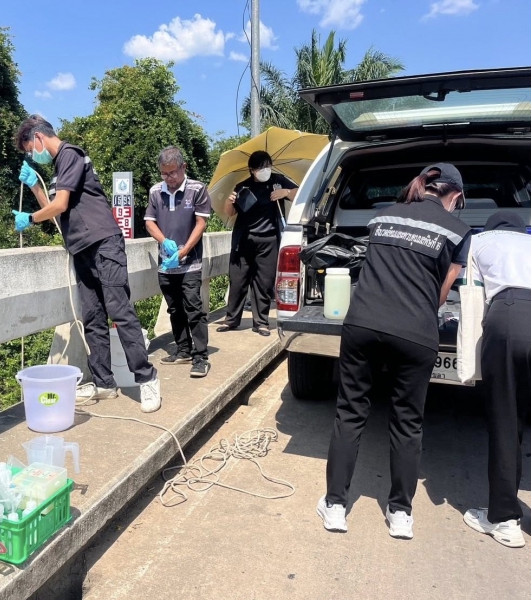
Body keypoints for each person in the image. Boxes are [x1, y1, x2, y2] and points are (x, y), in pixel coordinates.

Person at [317, 163, 472, 540]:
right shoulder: (458, 231)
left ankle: (335, 506)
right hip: (414, 332)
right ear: (456, 196)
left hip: (363, 322)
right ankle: (400, 513)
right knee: (407, 421)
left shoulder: (383, 216)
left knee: (350, 411)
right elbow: (442, 292)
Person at [13, 115, 161, 413]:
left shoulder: (70, 154)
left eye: (30, 149)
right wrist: (35, 187)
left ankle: (147, 379)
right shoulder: (58, 170)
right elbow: (55, 213)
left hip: (103, 243)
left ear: (38, 138)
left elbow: (60, 204)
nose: (32, 155)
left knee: (120, 311)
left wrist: (29, 218)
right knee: (92, 317)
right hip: (80, 249)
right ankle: (105, 383)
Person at [463, 211, 531, 548]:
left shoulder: (478, 241)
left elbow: (472, 297)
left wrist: (469, 359)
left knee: (507, 419)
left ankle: (505, 521)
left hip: (508, 315)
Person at [144, 146, 212, 378]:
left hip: (190, 262)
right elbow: (149, 222)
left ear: (184, 167)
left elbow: (201, 223)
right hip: (166, 264)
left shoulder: (197, 189)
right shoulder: (156, 191)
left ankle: (200, 357)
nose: (169, 178)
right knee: (174, 308)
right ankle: (183, 350)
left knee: (194, 308)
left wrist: (184, 251)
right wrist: (164, 241)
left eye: (172, 172)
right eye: (164, 173)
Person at [219, 151, 297, 336]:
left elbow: (300, 193)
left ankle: (261, 322)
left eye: (268, 166)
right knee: (238, 281)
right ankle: (231, 320)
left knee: (264, 282)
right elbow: (230, 212)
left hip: (269, 240)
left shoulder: (277, 181)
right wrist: (229, 202)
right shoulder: (243, 186)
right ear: (252, 170)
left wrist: (285, 192)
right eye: (261, 167)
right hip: (243, 240)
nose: (265, 170)